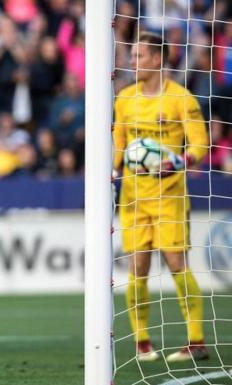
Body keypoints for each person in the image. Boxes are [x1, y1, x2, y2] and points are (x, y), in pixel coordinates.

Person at [113, 32, 209, 363]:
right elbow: (119, 144)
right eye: (133, 55)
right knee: (137, 267)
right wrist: (111, 171)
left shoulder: (181, 99)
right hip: (133, 196)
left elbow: (200, 143)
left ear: (157, 59)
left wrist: (179, 161)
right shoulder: (124, 98)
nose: (133, 61)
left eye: (139, 56)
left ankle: (196, 339)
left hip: (169, 195)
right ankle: (142, 344)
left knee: (175, 262)